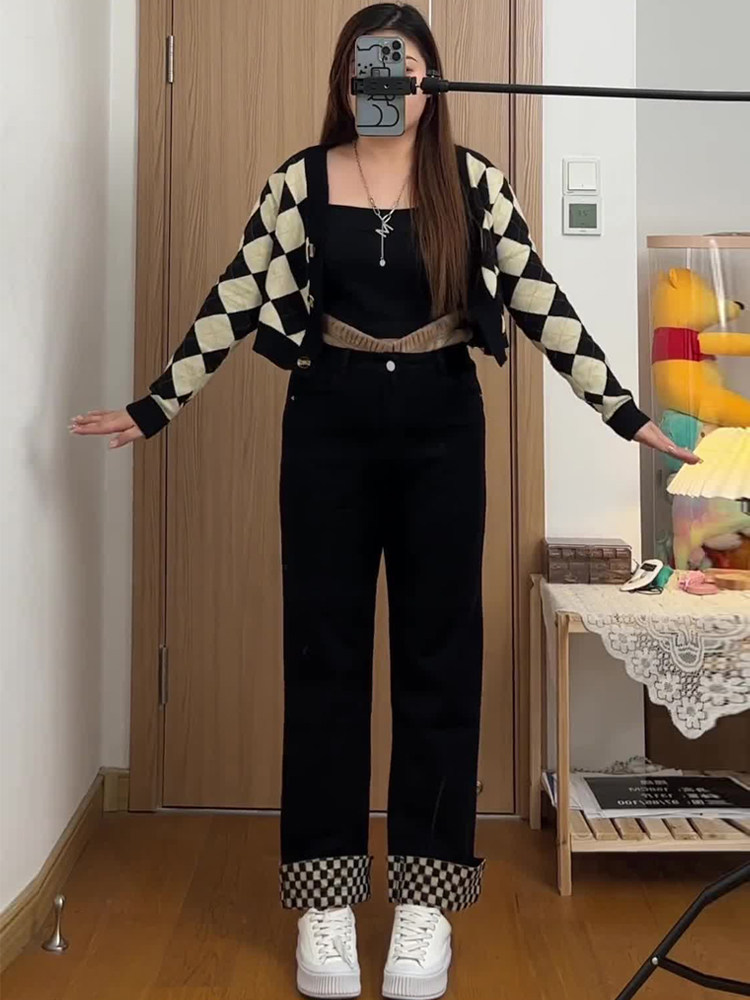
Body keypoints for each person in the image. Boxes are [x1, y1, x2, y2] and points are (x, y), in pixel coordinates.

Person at [70, 4, 698, 998]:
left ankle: (423, 898)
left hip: (445, 429)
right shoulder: (301, 181)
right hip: (327, 425)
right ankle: (324, 899)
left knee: (438, 659)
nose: (389, 82)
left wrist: (626, 415)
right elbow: (236, 293)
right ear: (346, 77)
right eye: (372, 65)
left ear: (432, 83)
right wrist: (156, 406)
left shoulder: (472, 185)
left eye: (406, 67)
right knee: (324, 657)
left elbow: (543, 303)